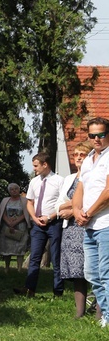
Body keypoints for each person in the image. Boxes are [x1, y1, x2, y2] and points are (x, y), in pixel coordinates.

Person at [73, 118, 109, 326]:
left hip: (105, 223)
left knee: (106, 273)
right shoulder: (88, 159)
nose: (96, 139)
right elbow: (81, 188)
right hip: (89, 226)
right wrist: (77, 210)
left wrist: (89, 212)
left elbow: (107, 192)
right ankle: (105, 314)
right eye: (92, 135)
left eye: (101, 135)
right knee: (91, 273)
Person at [15, 152, 64, 297]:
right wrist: (34, 218)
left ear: (45, 164)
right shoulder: (34, 182)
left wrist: (50, 217)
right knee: (35, 257)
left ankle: (58, 291)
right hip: (38, 225)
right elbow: (30, 202)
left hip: (54, 223)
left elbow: (64, 203)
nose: (34, 169)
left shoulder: (59, 181)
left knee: (56, 258)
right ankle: (30, 289)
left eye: (36, 166)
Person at [57, 141, 92, 318]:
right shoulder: (69, 179)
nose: (78, 158)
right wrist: (67, 207)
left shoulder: (93, 176)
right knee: (77, 272)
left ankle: (100, 313)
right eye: (76, 154)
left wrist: (72, 209)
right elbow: (58, 204)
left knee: (92, 270)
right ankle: (79, 313)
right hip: (69, 230)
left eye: (82, 155)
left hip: (86, 226)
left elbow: (92, 199)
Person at [0, 183, 30, 272]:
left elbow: (26, 213)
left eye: (16, 189)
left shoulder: (24, 200)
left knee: (20, 248)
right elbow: (1, 213)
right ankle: (6, 268)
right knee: (7, 248)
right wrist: (9, 222)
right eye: (11, 189)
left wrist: (16, 221)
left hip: (21, 226)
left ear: (19, 190)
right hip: (7, 227)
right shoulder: (5, 200)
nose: (14, 190)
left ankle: (19, 269)